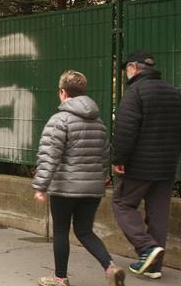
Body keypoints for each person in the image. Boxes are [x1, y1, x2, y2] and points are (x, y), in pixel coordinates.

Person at [33, 70, 125, 286]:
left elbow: (49, 156)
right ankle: (110, 267)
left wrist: (40, 186)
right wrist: (102, 178)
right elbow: (104, 156)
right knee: (85, 231)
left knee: (61, 231)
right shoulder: (99, 122)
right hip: (92, 188)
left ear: (63, 92)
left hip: (65, 187)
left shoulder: (59, 120)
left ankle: (60, 278)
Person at [112, 50, 181, 279]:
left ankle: (146, 248)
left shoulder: (135, 92)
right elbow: (180, 131)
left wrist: (118, 159)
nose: (126, 74)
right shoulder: (175, 93)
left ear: (133, 68)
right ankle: (154, 267)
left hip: (140, 166)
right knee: (159, 213)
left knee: (122, 203)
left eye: (126, 69)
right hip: (166, 166)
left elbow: (125, 130)